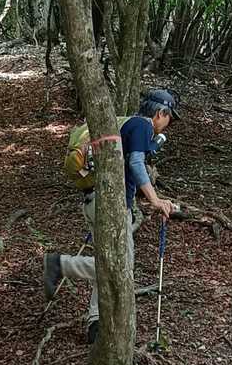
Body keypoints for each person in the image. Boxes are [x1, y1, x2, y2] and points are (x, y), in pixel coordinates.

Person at [43, 89, 179, 341]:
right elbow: (136, 163)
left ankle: (96, 322)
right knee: (120, 265)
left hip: (95, 201)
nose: (167, 124)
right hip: (110, 206)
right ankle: (60, 265)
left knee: (108, 258)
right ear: (161, 113)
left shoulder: (127, 125)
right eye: (170, 118)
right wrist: (155, 200)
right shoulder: (142, 126)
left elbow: (129, 167)